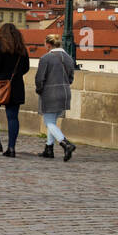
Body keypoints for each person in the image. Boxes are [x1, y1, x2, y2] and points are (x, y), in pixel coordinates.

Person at [0, 23, 30, 157]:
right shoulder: (22, 49)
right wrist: (15, 76)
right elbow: (26, 68)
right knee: (12, 117)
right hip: (15, 85)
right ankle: (11, 148)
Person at [35, 33, 77, 161]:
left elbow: (39, 78)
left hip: (50, 93)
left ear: (48, 45)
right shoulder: (69, 58)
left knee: (48, 122)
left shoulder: (46, 58)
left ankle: (65, 144)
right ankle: (49, 149)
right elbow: (71, 78)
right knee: (52, 121)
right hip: (64, 93)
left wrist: (40, 89)